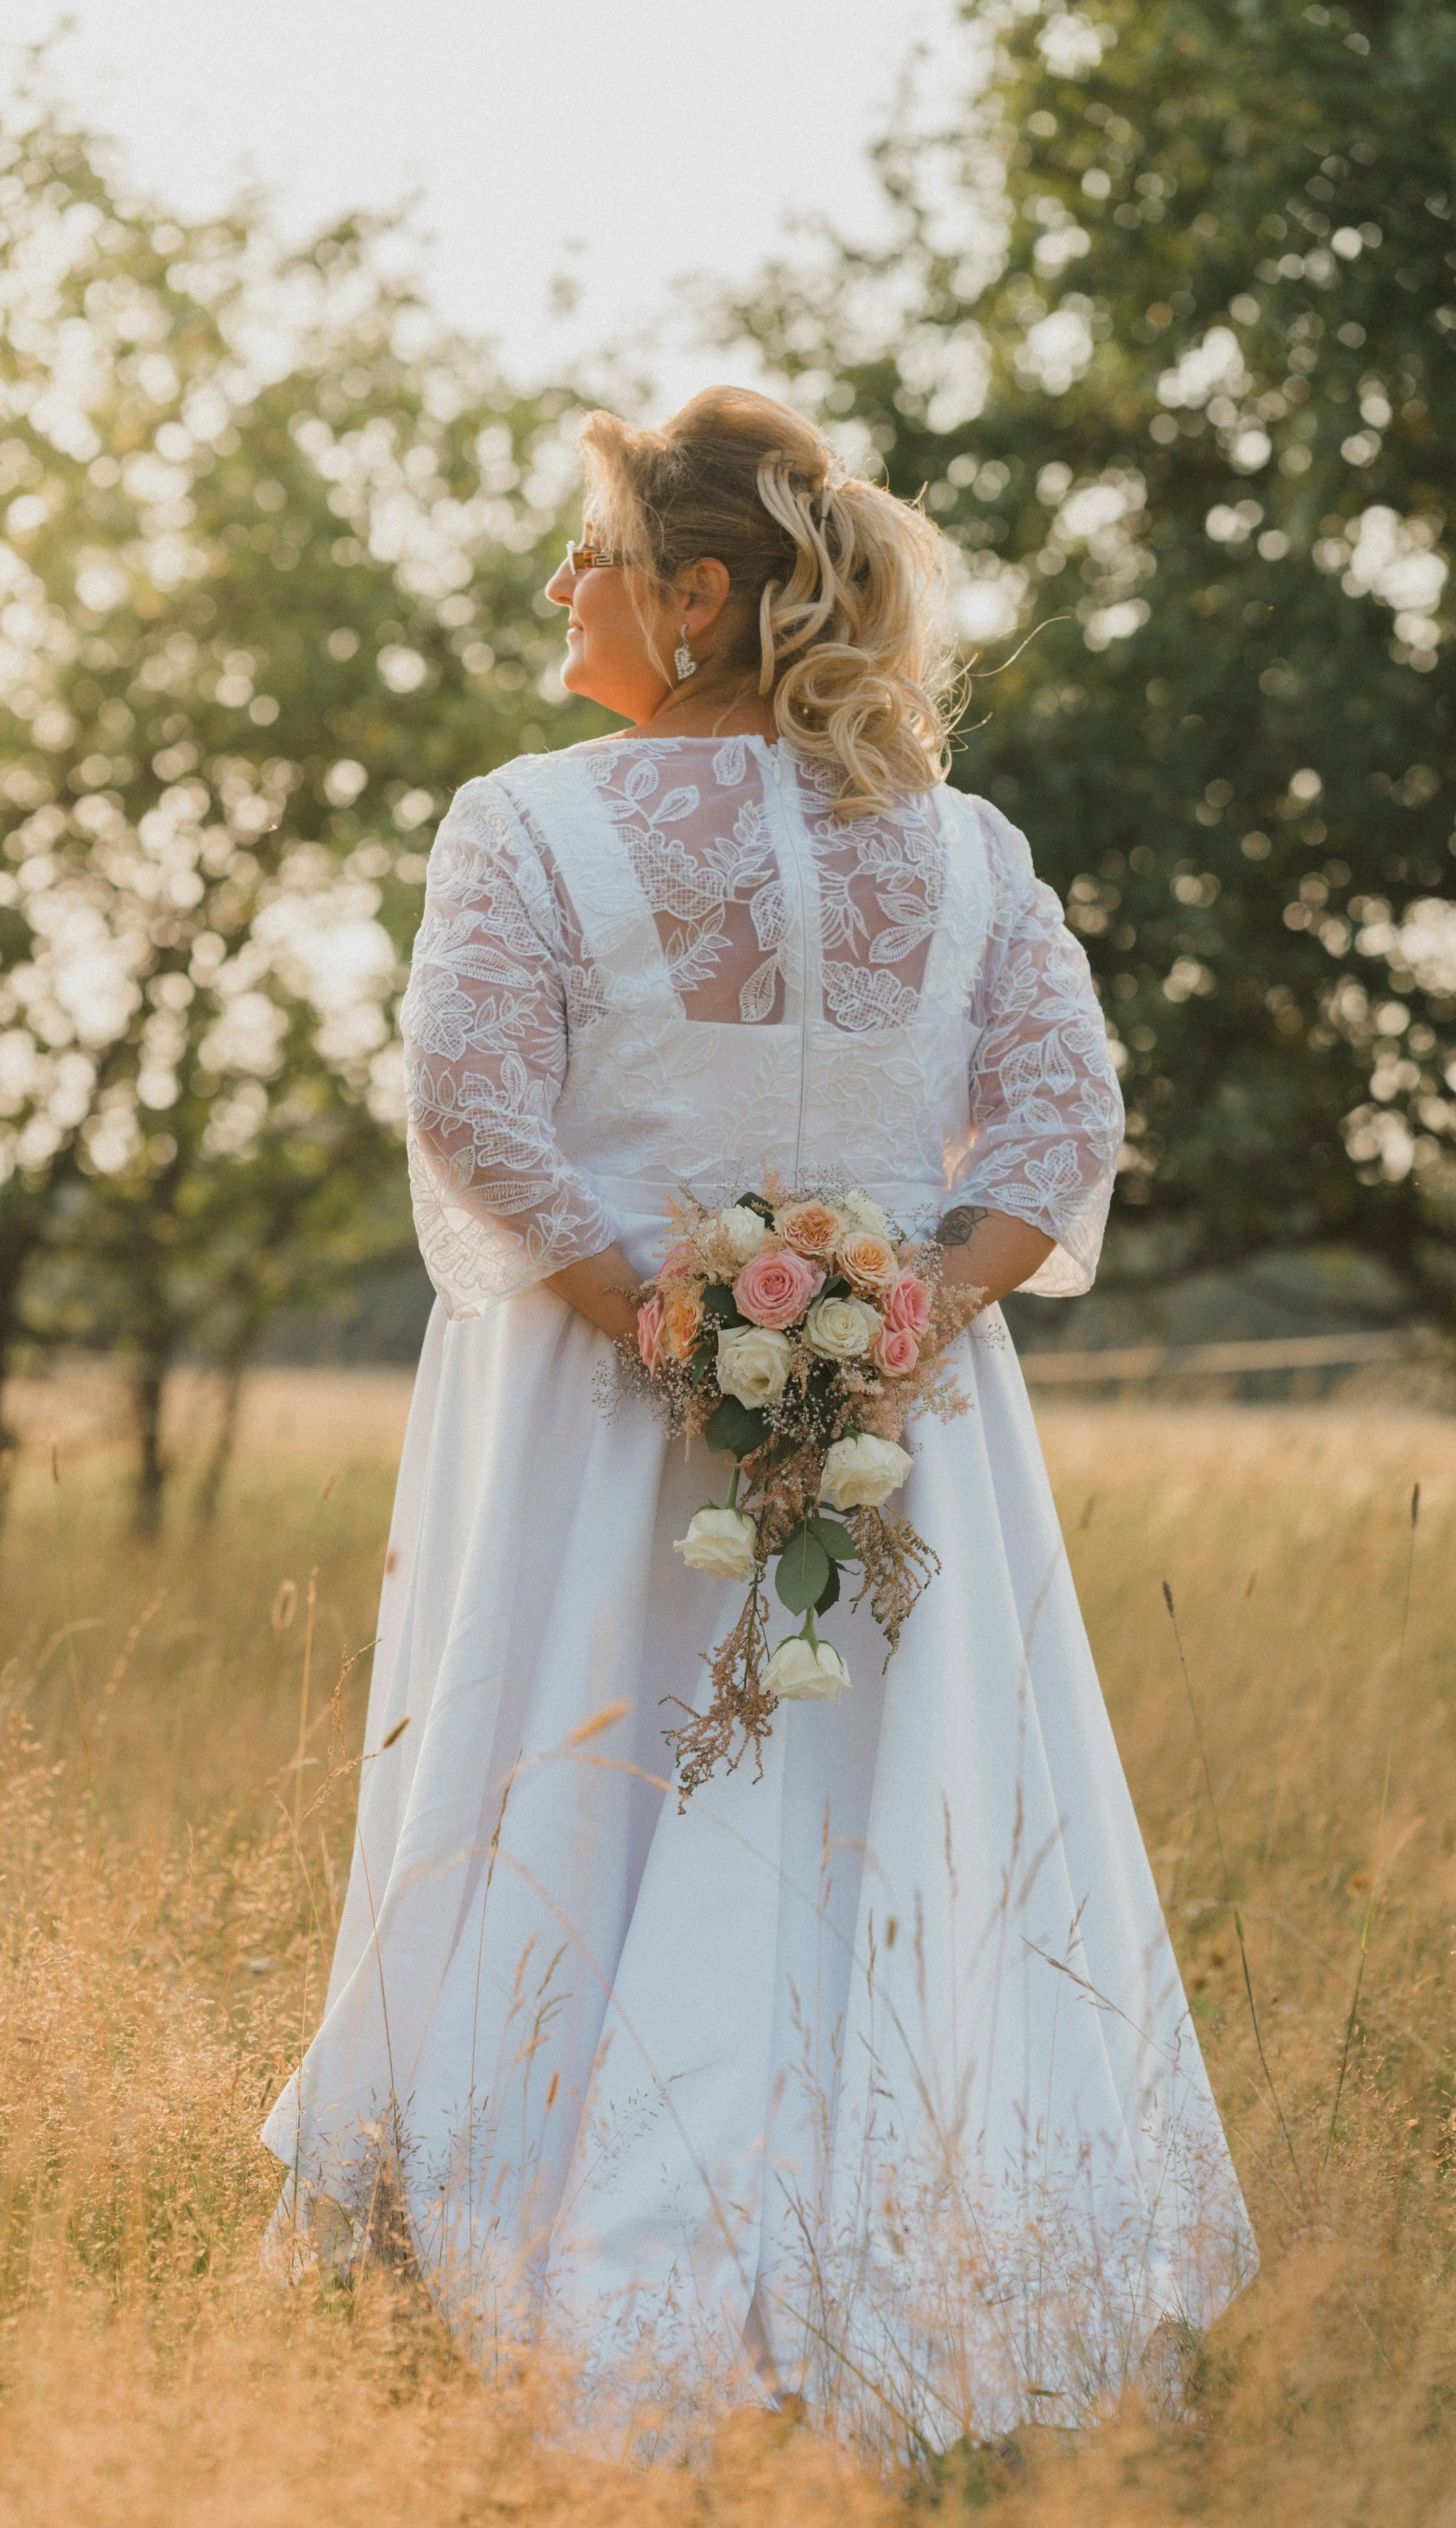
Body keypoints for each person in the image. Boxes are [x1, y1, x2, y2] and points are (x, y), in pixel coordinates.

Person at [262, 386, 1254, 2451]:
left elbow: (469, 1103)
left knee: (578, 1789)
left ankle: (561, 2309)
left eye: (594, 557)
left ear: (697, 598)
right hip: (907, 1421)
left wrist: (666, 1315)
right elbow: (1068, 1117)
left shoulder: (524, 822)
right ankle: (906, 2283)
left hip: (601, 1417)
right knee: (870, 1811)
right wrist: (890, 1323)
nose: (562, 585)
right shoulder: (963, 849)